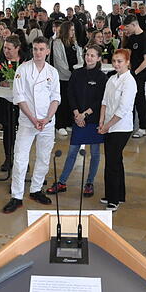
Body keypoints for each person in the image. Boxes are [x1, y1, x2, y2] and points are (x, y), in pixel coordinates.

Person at [3, 36, 60, 213]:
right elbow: (19, 97)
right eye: (35, 49)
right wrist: (34, 119)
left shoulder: (52, 72)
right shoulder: (23, 69)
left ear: (47, 51)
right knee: (20, 158)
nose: (38, 52)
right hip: (28, 121)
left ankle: (36, 190)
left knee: (43, 157)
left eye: (41, 49)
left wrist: (47, 118)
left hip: (47, 122)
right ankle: (16, 196)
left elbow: (56, 98)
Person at [47, 44, 107, 197]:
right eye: (87, 54)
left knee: (94, 153)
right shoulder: (77, 73)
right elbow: (70, 94)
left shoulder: (102, 78)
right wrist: (76, 114)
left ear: (99, 58)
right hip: (78, 118)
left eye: (93, 55)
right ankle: (62, 182)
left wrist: (85, 114)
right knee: (72, 150)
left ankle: (89, 182)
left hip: (93, 119)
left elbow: (100, 100)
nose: (89, 58)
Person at [98, 49, 136, 211]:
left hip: (121, 127)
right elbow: (105, 102)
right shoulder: (111, 79)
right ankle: (118, 193)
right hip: (108, 125)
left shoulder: (129, 82)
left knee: (112, 162)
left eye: (120, 61)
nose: (116, 64)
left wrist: (107, 126)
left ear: (127, 62)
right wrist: (101, 121)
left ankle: (113, 200)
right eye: (114, 61)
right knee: (115, 160)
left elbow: (123, 109)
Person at [0, 35, 26, 171]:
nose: (6, 51)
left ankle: (21, 160)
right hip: (4, 102)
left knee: (22, 133)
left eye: (9, 49)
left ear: (17, 48)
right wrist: (1, 82)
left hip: (22, 104)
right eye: (5, 48)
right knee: (8, 130)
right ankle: (8, 158)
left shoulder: (25, 61)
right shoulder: (0, 60)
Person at [122, 15, 146, 138]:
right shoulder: (132, 37)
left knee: (140, 100)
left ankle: (143, 127)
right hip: (130, 72)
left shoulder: (145, 39)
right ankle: (129, 124)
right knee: (129, 99)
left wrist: (135, 72)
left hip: (139, 74)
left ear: (134, 25)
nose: (126, 30)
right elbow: (128, 52)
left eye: (128, 27)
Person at [52, 21, 84, 136]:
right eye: (71, 30)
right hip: (63, 76)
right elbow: (59, 61)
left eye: (74, 30)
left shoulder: (74, 43)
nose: (73, 32)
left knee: (72, 101)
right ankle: (60, 125)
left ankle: (69, 122)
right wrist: (69, 73)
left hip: (74, 76)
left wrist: (78, 71)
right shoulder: (57, 43)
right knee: (62, 101)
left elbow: (79, 57)